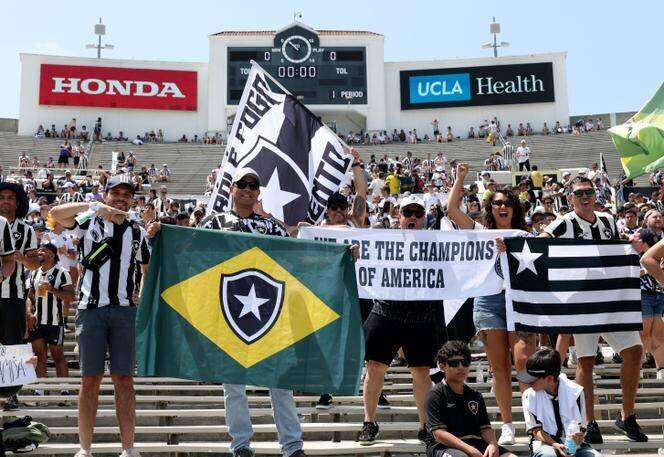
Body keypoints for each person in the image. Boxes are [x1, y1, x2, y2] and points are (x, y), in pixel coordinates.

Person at [168, 168, 305, 457]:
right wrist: (158, 235)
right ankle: (241, 445)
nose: (247, 189)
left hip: (269, 314)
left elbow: (299, 254)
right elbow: (184, 253)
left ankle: (292, 447)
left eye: (253, 185)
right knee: (233, 387)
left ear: (258, 191)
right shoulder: (212, 223)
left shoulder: (271, 227)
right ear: (231, 188)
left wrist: (343, 251)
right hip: (227, 314)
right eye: (241, 184)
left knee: (280, 384)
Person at [50, 176, 152, 457]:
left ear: (133, 199)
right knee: (89, 379)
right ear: (106, 195)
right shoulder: (88, 220)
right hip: (90, 309)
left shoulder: (137, 231)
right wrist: (94, 206)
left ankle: (129, 449)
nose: (120, 198)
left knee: (124, 380)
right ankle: (84, 449)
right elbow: (55, 215)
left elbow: (146, 267)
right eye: (115, 193)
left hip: (123, 311)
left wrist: (139, 295)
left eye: (126, 194)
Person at [541, 177, 647, 443]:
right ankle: (589, 422)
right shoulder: (564, 222)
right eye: (579, 193)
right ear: (570, 199)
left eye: (589, 191)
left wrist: (630, 246)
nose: (585, 196)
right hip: (582, 302)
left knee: (634, 351)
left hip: (611, 299)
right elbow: (540, 243)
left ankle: (627, 416)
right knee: (586, 361)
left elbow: (617, 246)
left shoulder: (608, 220)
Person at [446, 163, 534, 445]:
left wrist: (514, 254)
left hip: (520, 302)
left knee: (524, 363)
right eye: (497, 203)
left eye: (508, 202)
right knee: (499, 368)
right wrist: (460, 178)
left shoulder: (526, 237)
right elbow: (452, 211)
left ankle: (533, 422)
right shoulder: (480, 231)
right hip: (488, 303)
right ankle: (507, 424)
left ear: (515, 208)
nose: (502, 206)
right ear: (491, 208)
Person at [358, 195, 444, 445]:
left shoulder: (437, 242)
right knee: (375, 367)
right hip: (387, 309)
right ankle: (368, 422)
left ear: (424, 217)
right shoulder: (382, 240)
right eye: (408, 213)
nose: (413, 218)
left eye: (418, 214)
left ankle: (426, 426)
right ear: (399, 215)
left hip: (422, 312)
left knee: (421, 371)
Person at [425, 341, 516, 457]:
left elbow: (485, 428)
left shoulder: (475, 395)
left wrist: (493, 444)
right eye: (454, 363)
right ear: (442, 367)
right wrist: (469, 450)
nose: (461, 367)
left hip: (476, 443)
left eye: (465, 363)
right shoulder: (435, 395)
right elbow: (439, 434)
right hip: (444, 447)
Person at [518, 348, 602, 457]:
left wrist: (579, 436)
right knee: (548, 455)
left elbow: (581, 427)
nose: (528, 382)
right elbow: (536, 431)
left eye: (533, 379)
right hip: (545, 444)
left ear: (549, 378)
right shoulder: (529, 395)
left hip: (573, 445)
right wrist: (555, 444)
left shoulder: (576, 392)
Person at [0, 182, 39, 410]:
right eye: (2, 197)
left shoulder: (27, 230)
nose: (6, 201)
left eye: (10, 198)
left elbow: (35, 263)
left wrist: (20, 259)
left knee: (12, 343)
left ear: (17, 203)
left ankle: (11, 393)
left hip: (13, 295)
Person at [26, 243, 74, 394]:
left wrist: (52, 290)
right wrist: (29, 313)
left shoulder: (62, 273)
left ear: (52, 254)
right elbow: (29, 297)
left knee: (57, 356)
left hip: (55, 321)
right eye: (38, 250)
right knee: (39, 355)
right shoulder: (34, 273)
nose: (39, 252)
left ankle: (64, 391)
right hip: (36, 321)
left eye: (43, 250)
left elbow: (71, 297)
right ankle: (40, 391)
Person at [637, 229, 664, 379]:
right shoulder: (634, 256)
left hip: (659, 295)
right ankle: (637, 369)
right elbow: (635, 273)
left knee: (658, 336)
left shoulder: (658, 256)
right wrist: (649, 270)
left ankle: (661, 369)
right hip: (643, 296)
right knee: (644, 334)